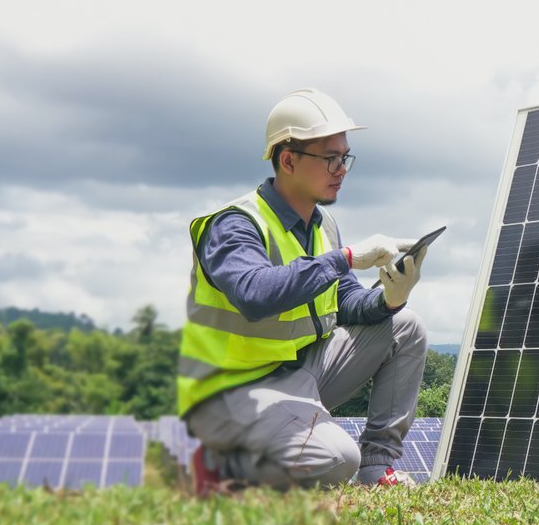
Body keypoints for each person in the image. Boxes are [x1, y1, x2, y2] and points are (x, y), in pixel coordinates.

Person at [177, 88, 430, 494]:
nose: (341, 169)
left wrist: (389, 298)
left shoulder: (323, 226)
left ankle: (377, 469)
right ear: (288, 159)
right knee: (337, 458)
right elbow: (254, 294)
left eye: (345, 157)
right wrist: (345, 258)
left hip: (301, 373)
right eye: (330, 158)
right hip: (237, 392)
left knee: (406, 325)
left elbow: (346, 302)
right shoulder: (234, 226)